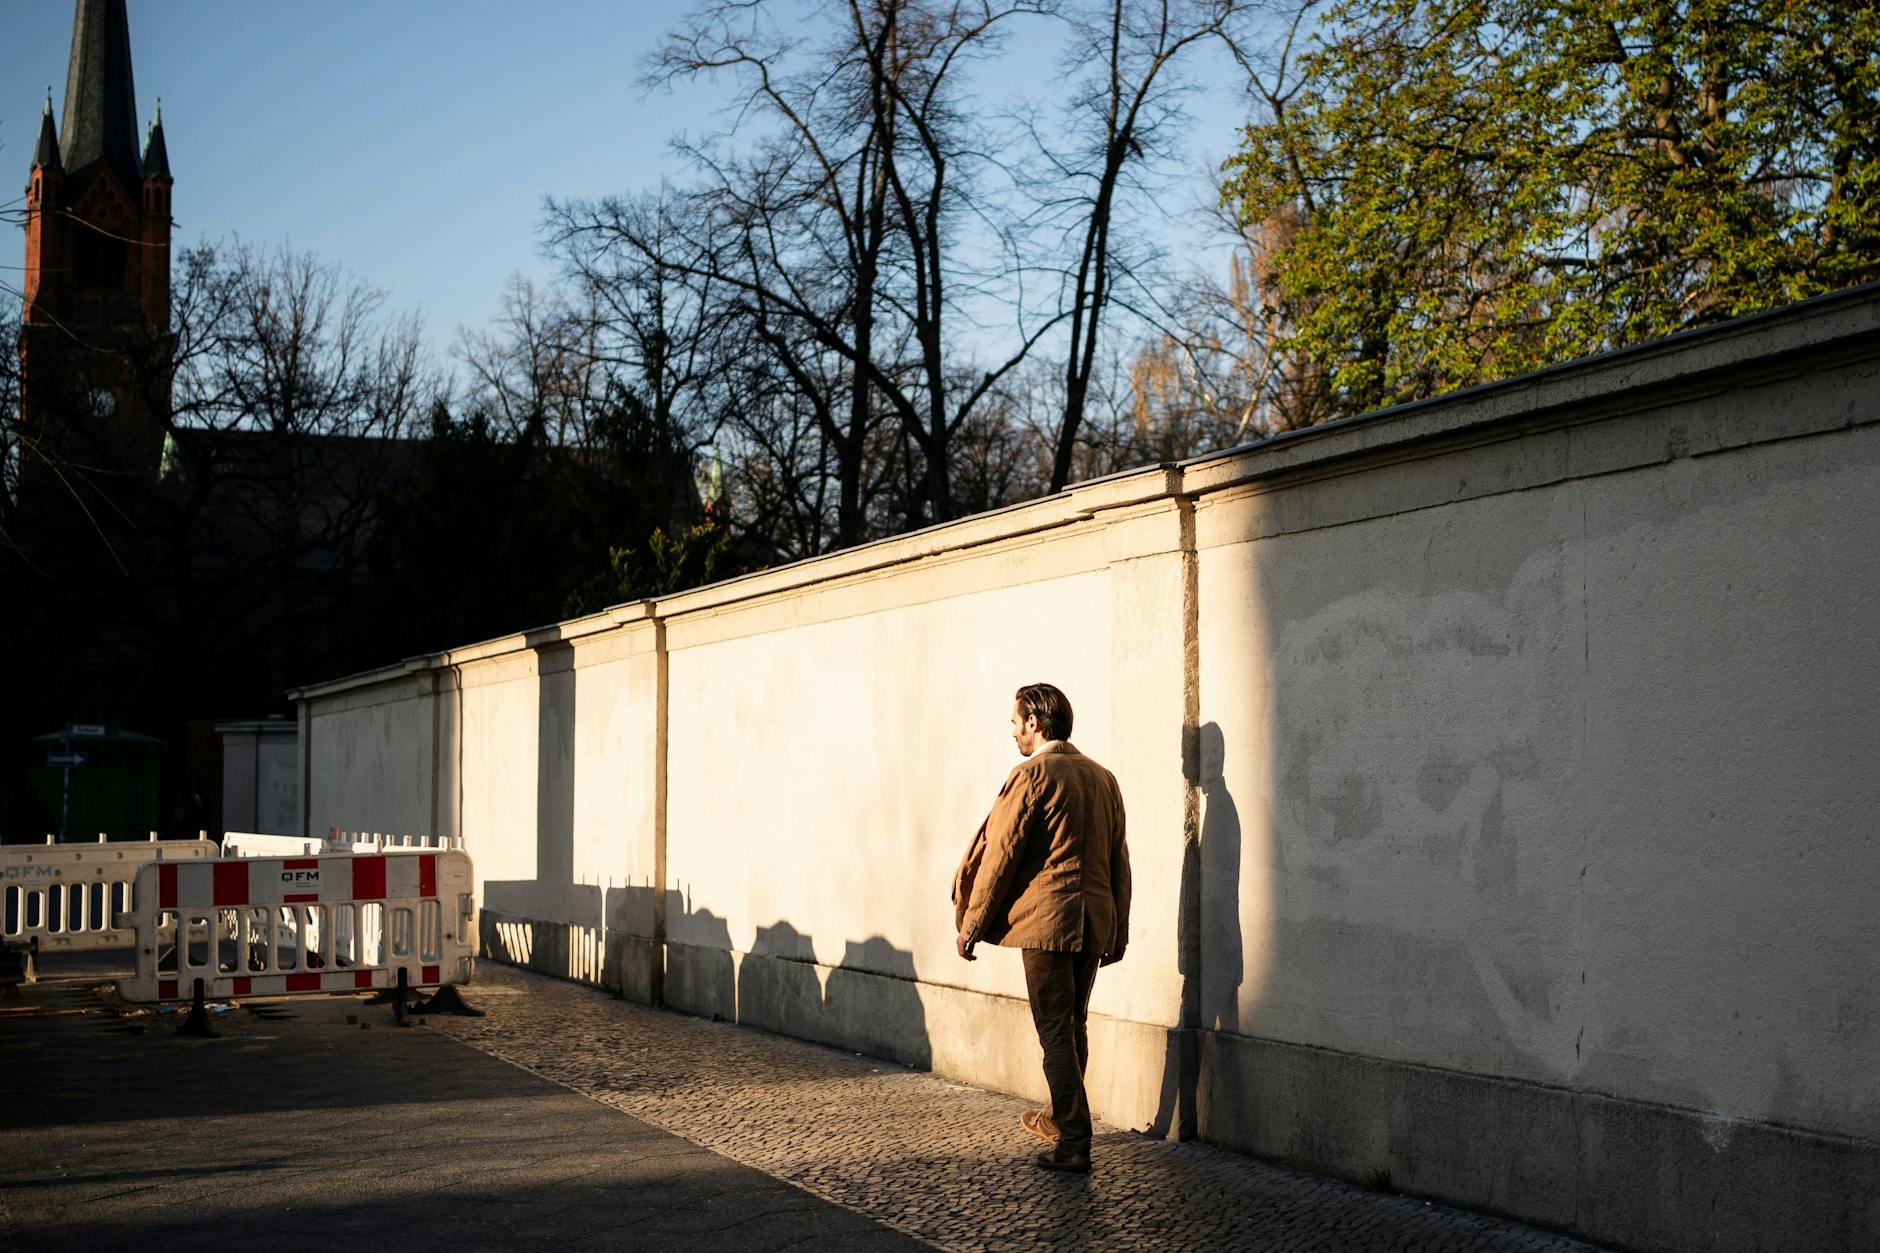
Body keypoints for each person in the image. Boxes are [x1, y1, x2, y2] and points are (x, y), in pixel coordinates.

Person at [952, 682, 1130, 1174]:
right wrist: (1120, 927)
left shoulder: (1032, 775)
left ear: (1034, 721)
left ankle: (1073, 1141)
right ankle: (1058, 1117)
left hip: (1047, 923)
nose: (1012, 731)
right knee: (1074, 1026)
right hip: (1093, 919)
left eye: (1015, 722)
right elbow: (1120, 860)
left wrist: (971, 925)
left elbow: (1000, 857)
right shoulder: (1104, 778)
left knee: (1054, 1031)